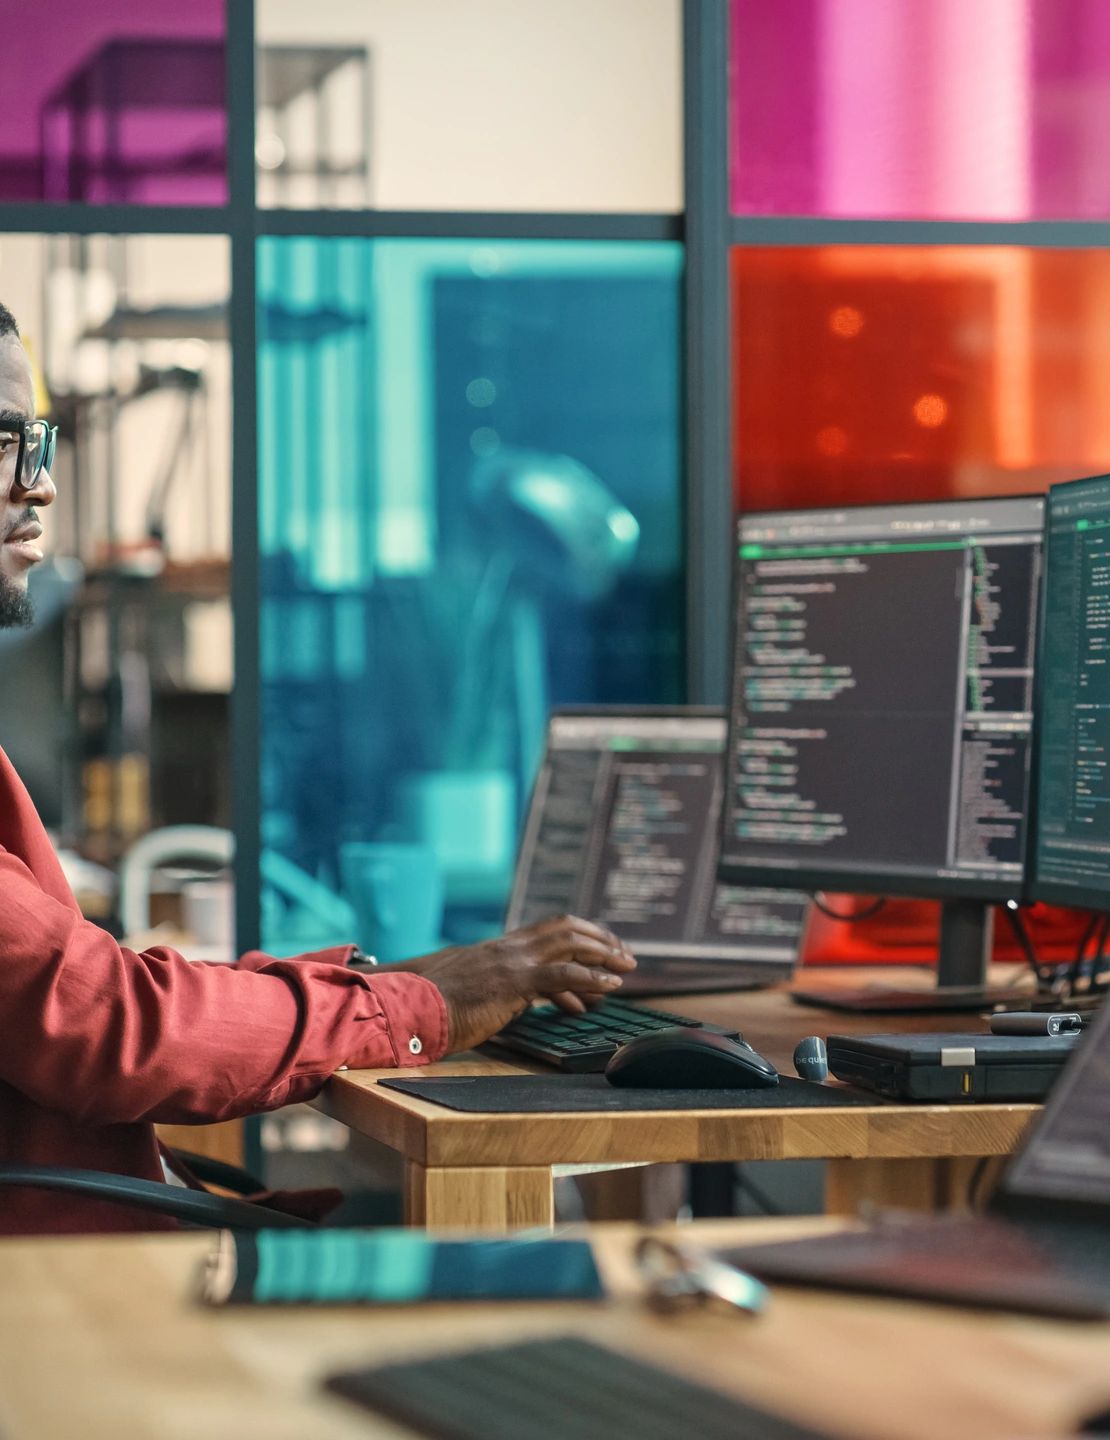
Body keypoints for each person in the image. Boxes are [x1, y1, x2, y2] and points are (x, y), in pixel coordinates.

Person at [0, 301, 636, 1235]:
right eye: (4, 441)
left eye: (38, 442)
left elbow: (87, 993)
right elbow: (113, 1026)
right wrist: (422, 1002)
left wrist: (396, 985)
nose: (40, 485)